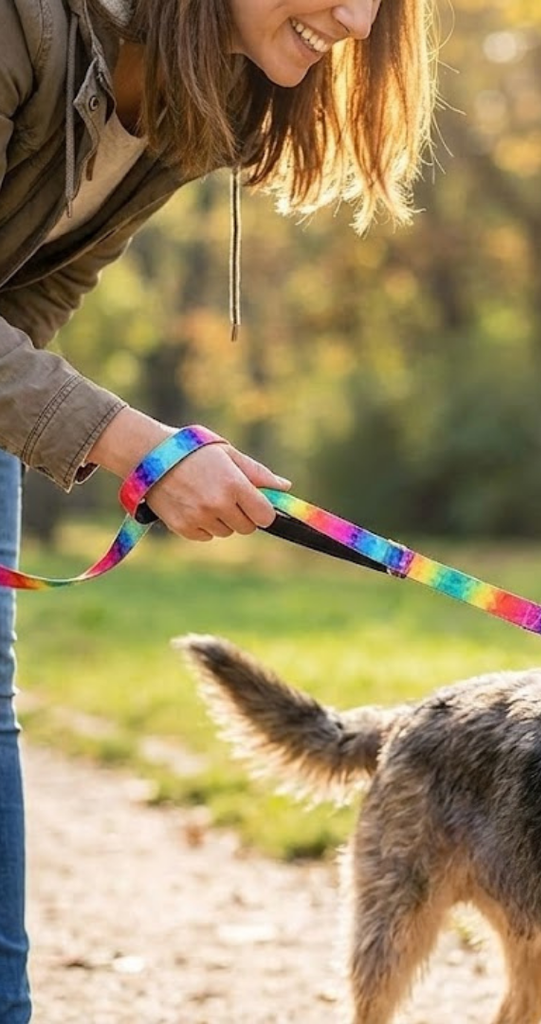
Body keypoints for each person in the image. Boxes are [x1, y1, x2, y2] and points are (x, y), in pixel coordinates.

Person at [0, 0, 437, 1018]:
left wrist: (110, 436)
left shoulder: (192, 87)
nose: (357, 19)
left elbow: (31, 293)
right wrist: (131, 442)